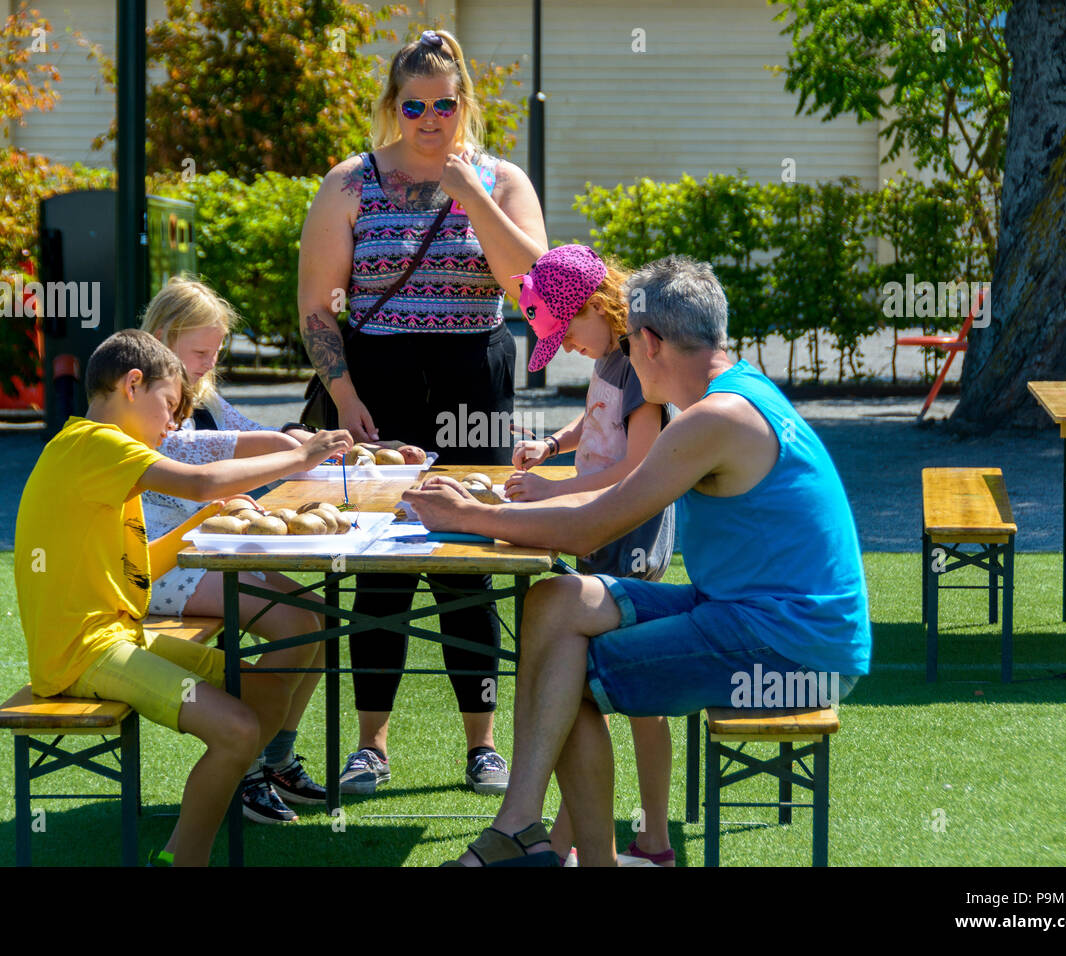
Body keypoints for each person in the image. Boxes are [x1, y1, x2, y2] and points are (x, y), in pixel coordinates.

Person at [403, 256, 872, 866]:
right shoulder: (735, 392)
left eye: (629, 340)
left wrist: (467, 516)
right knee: (554, 599)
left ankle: (559, 850)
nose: (623, 351)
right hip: (751, 614)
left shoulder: (714, 418)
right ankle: (519, 826)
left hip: (794, 647)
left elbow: (592, 526)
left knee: (567, 676)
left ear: (649, 342)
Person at [296, 27, 547, 794]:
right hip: (378, 382)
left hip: (474, 375)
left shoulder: (503, 181)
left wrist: (471, 194)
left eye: (444, 104)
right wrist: (344, 395)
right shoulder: (350, 182)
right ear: (391, 107)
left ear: (465, 104)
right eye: (414, 106)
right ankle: (372, 743)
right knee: (380, 562)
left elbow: (536, 293)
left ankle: (484, 744)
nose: (431, 120)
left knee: (468, 560)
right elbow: (317, 306)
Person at [13, 329, 352, 865]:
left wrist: (202, 522)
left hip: (116, 638)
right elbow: (202, 480)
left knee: (271, 674)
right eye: (168, 406)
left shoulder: (89, 452)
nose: (172, 424)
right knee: (240, 728)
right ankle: (184, 856)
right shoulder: (95, 444)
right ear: (131, 385)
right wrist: (300, 456)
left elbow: (140, 571)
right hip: (84, 655)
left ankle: (240, 781)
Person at [503, 243, 677, 866]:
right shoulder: (611, 357)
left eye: (567, 331)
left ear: (597, 303)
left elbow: (635, 466)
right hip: (601, 532)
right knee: (589, 690)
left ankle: (649, 837)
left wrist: (554, 492)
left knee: (631, 699)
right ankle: (572, 837)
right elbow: (596, 424)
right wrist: (551, 445)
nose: (568, 347)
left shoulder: (639, 365)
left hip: (628, 540)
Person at [139, 276, 330, 822]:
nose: (207, 362)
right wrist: (285, 446)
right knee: (297, 623)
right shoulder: (139, 392)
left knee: (319, 616)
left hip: (199, 550)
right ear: (161, 338)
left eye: (215, 351)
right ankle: (245, 769)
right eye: (199, 351)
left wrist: (317, 444)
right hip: (154, 563)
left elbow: (250, 431)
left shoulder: (195, 388)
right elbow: (192, 453)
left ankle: (276, 757)